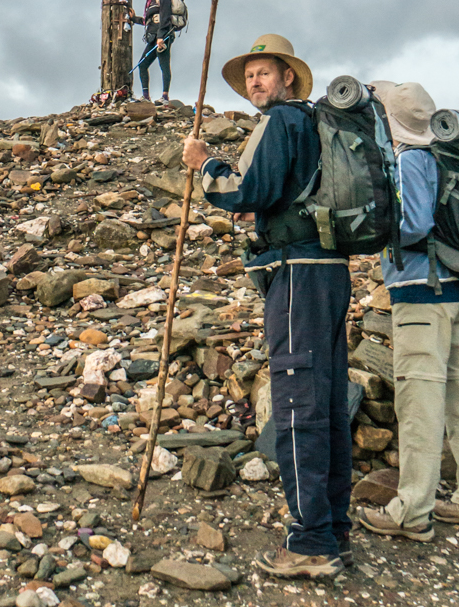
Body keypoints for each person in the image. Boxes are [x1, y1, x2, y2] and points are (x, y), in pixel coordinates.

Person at [183, 34, 351, 580]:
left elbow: (249, 193)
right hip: (326, 270)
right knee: (323, 398)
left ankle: (310, 543)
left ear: (287, 78)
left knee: (299, 399)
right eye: (250, 75)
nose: (256, 82)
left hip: (298, 273)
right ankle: (332, 528)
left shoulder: (283, 122)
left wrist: (206, 163)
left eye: (264, 73)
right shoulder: (310, 126)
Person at [356, 82, 459, 541]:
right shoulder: (446, 153)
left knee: (418, 402)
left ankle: (412, 510)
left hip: (421, 291)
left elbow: (414, 223)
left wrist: (373, 230)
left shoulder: (409, 158)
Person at [131, 0, 185, 104]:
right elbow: (150, 20)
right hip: (153, 37)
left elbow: (165, 17)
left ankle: (165, 97)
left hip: (163, 37)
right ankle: (146, 96)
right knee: (143, 65)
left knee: (164, 65)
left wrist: (161, 37)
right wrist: (134, 19)